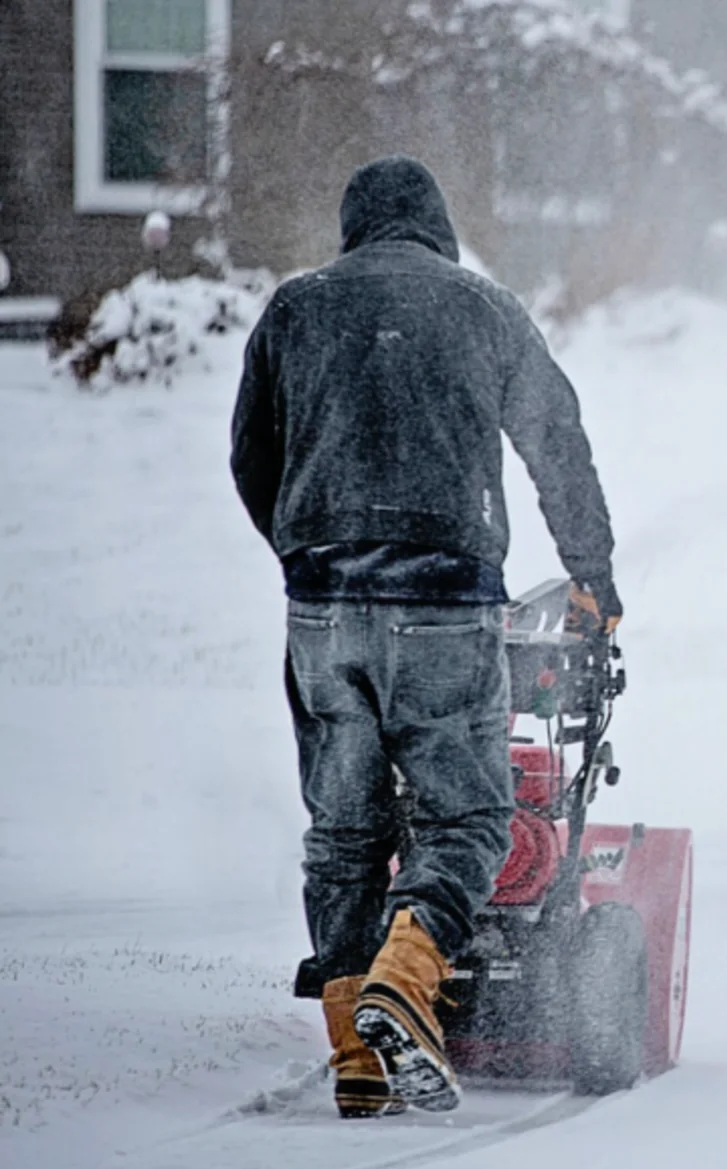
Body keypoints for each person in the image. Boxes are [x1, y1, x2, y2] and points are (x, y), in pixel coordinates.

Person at [230, 155, 620, 1118]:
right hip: (445, 602)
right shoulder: (482, 308)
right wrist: (593, 576)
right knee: (468, 821)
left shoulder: (294, 308)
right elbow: (555, 437)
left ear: (353, 227)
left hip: (323, 606)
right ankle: (404, 984)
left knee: (346, 832)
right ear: (437, 230)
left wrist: (305, 547)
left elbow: (250, 455)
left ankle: (354, 1055)